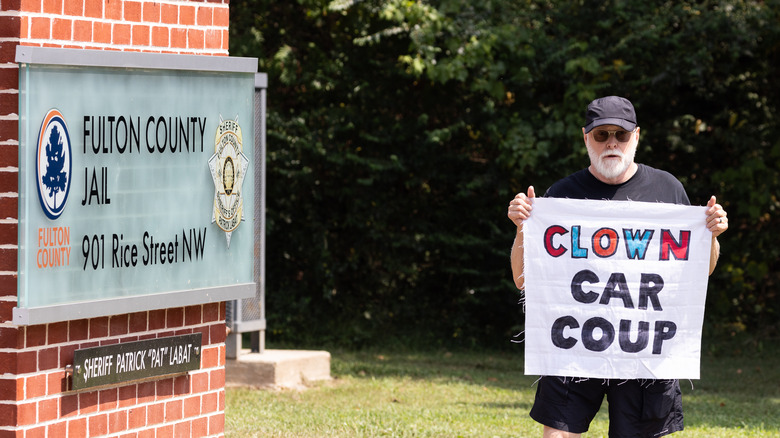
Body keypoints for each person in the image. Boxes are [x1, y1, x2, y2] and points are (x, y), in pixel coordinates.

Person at [506, 96, 729, 438]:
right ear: (586, 138)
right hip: (575, 342)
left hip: (643, 350)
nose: (612, 142)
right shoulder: (562, 196)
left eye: (621, 135)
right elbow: (523, 279)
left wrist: (710, 236)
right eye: (601, 135)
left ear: (636, 137)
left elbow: (700, 273)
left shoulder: (668, 189)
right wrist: (523, 227)